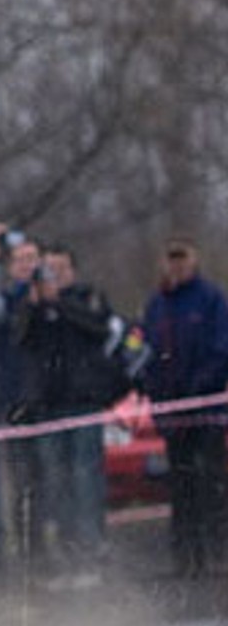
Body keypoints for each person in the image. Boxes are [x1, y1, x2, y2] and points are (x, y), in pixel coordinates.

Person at [12, 243, 116, 581]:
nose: (53, 276)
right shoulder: (34, 307)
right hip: (49, 408)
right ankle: (67, 554)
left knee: (86, 480)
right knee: (56, 483)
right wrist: (35, 305)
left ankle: (92, 549)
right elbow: (20, 339)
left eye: (60, 269)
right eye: (48, 270)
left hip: (83, 403)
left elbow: (100, 329)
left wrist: (60, 302)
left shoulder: (87, 298)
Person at [142, 236, 228, 577]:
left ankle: (218, 551)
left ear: (194, 260)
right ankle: (185, 555)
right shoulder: (157, 304)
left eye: (183, 258)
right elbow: (146, 352)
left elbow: (222, 349)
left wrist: (200, 386)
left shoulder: (211, 299)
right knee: (181, 483)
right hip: (172, 411)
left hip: (206, 408)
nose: (176, 265)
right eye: (171, 259)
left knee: (212, 479)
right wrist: (157, 393)